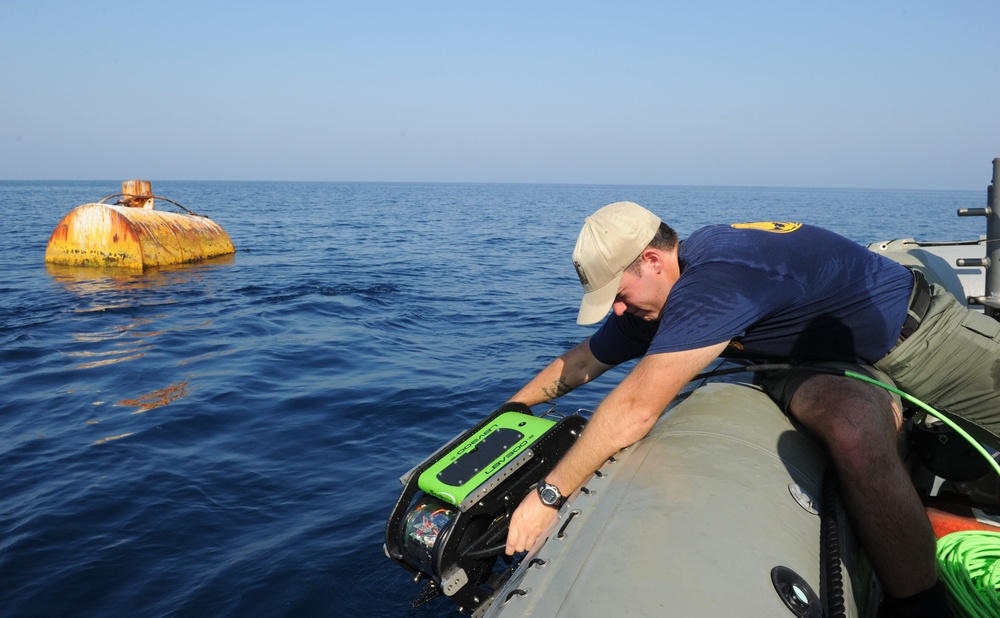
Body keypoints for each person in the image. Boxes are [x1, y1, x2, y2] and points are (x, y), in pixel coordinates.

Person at [503, 201, 1000, 618]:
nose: (616, 310)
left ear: (653, 261)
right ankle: (921, 604)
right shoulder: (653, 300)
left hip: (921, 336)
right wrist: (509, 413)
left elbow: (635, 408)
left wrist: (549, 495)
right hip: (810, 363)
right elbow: (584, 359)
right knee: (854, 429)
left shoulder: (719, 277)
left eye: (617, 295)